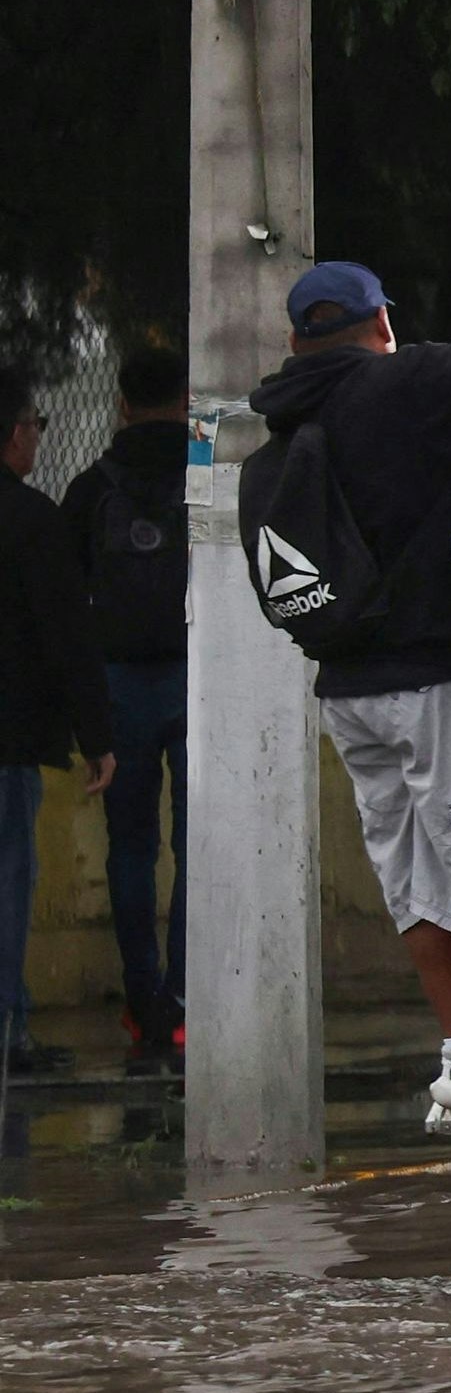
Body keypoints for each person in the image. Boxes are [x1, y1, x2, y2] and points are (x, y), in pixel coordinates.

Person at [250, 262, 451, 1113]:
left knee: (415, 873)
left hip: (347, 689)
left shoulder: (280, 433)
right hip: (435, 678)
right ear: (382, 322)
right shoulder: (398, 388)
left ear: (296, 342)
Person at [62, 345, 189, 1072]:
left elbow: (69, 605)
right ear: (184, 398)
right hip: (194, 677)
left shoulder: (89, 489)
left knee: (131, 848)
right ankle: (186, 998)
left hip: (118, 686)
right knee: (197, 847)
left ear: (120, 403)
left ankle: (144, 1003)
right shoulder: (205, 476)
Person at [0, 377, 111, 1077]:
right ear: (15, 434)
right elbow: (67, 634)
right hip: (9, 739)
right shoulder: (33, 520)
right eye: (36, 424)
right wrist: (95, 735)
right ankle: (8, 1029)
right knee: (10, 881)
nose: (39, 436)